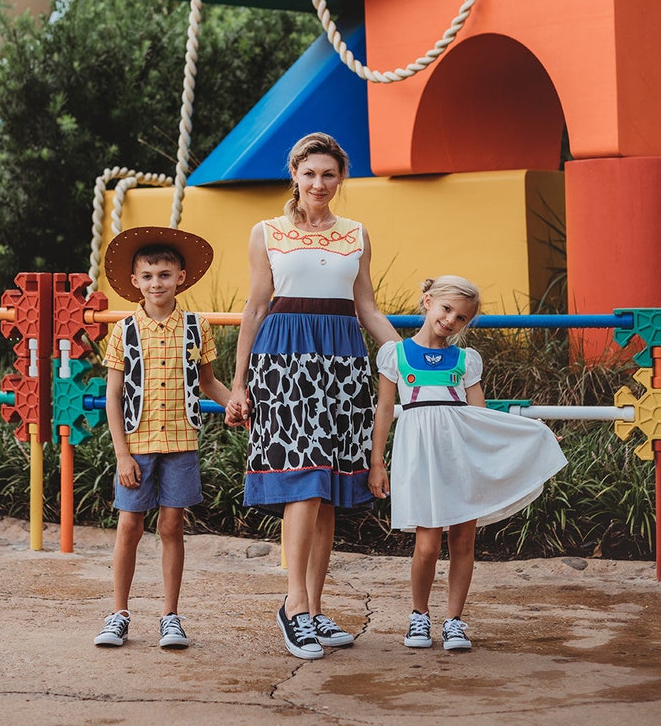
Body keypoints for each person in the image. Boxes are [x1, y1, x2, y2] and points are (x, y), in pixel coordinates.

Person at [225, 131, 399, 660]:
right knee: (301, 483)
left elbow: (366, 306)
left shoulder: (356, 234)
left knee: (326, 493)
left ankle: (316, 611)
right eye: (309, 174)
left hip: (342, 360)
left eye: (328, 174)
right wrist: (239, 381)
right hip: (282, 362)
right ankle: (294, 607)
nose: (319, 183)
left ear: (339, 179)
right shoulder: (267, 232)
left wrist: (409, 355)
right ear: (295, 176)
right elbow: (255, 308)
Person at [368, 275, 567, 652]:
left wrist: (532, 433)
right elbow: (383, 411)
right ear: (427, 302)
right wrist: (377, 462)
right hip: (420, 458)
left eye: (461, 318)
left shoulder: (464, 360)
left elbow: (482, 418)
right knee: (426, 545)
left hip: (461, 458)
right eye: (446, 309)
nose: (450, 320)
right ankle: (419, 615)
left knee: (463, 541)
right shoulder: (395, 355)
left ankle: (455, 620)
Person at [94, 225, 230, 651]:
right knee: (129, 526)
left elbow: (208, 382)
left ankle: (170, 616)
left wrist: (236, 404)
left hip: (181, 444)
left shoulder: (197, 327)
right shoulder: (124, 330)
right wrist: (122, 454)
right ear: (135, 281)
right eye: (149, 276)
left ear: (181, 278)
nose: (157, 283)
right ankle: (118, 613)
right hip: (136, 446)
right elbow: (113, 396)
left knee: (172, 526)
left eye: (165, 275)